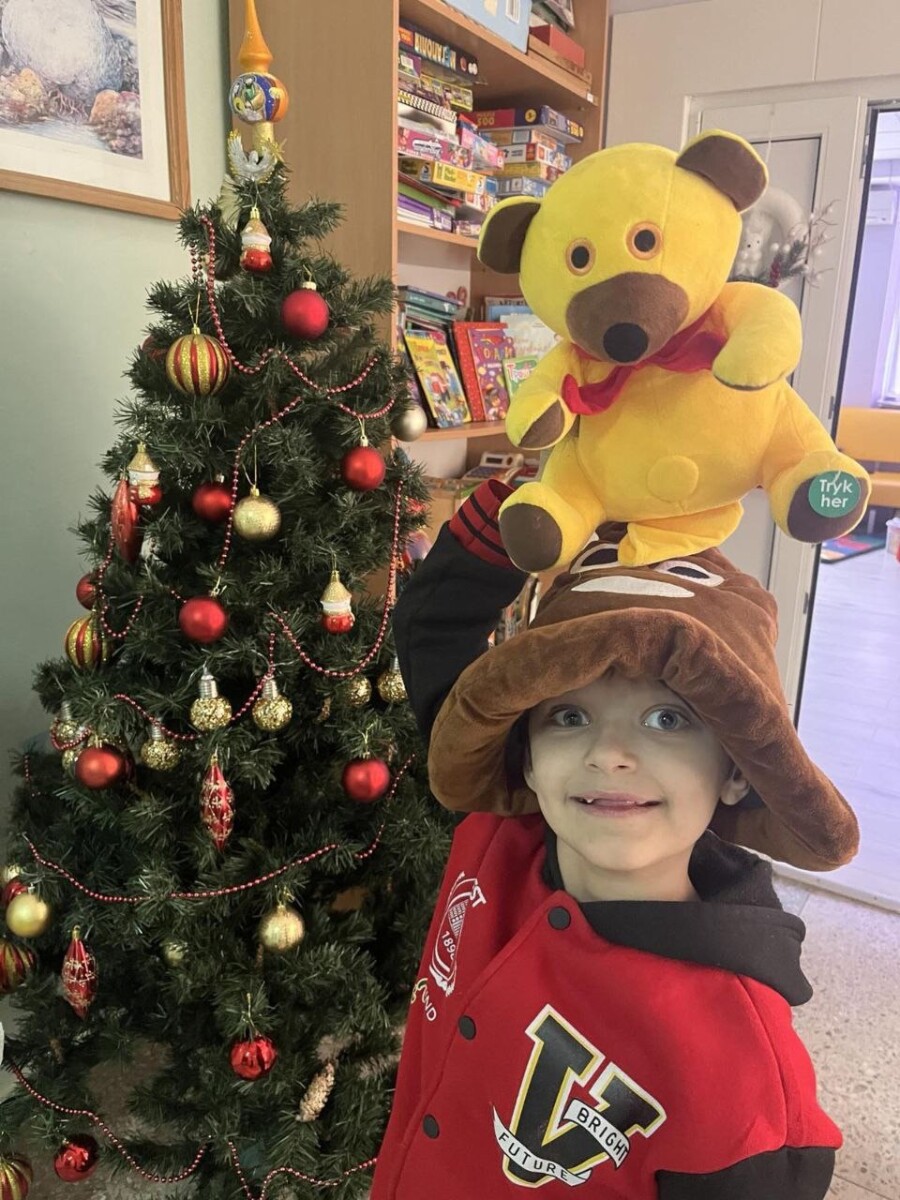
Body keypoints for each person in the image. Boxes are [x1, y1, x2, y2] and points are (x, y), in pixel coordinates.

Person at [370, 479, 859, 1200]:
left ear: (736, 770)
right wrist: (549, 492)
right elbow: (431, 627)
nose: (609, 755)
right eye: (569, 716)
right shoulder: (495, 834)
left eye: (667, 719)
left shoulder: (743, 1072)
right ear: (526, 758)